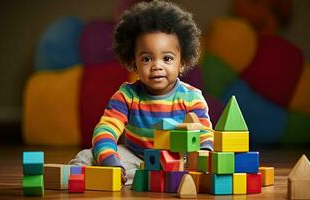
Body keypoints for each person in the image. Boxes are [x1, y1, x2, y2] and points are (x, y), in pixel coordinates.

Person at [70, 0, 214, 186]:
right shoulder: (127, 95)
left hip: (177, 161)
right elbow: (106, 129)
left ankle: (143, 178)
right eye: (146, 58)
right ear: (134, 62)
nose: (156, 66)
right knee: (85, 156)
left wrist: (204, 158)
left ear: (183, 62)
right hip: (135, 157)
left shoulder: (192, 98)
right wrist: (110, 160)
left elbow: (204, 135)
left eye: (167, 58)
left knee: (196, 166)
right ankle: (85, 178)